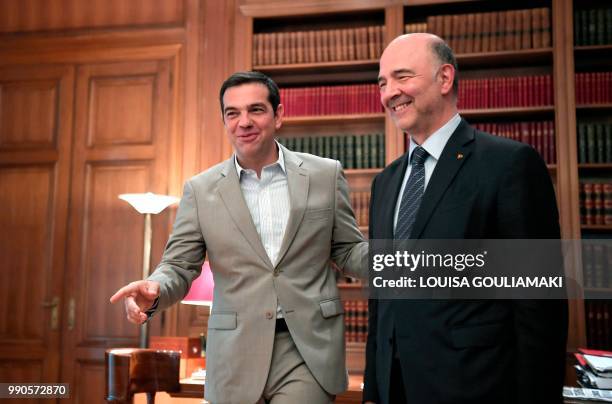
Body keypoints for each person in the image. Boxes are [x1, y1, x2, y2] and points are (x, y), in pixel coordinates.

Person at [110, 71, 367, 404]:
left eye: (256, 110)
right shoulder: (200, 190)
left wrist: (401, 261)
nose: (244, 122)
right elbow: (178, 265)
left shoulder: (325, 175)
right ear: (225, 121)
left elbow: (347, 250)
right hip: (234, 352)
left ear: (279, 115)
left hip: (307, 349)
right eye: (233, 113)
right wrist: (155, 289)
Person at [363, 33, 568, 404]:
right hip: (394, 387)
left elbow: (539, 305)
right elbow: (382, 301)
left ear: (445, 78)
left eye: (402, 77)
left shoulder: (508, 165)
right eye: (382, 82)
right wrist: (374, 392)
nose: (389, 92)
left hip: (475, 387)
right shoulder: (385, 182)